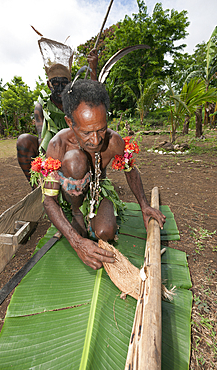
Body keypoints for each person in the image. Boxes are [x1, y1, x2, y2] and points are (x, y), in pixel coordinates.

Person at [38, 79, 166, 270]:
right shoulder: (58, 145)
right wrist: (77, 242)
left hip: (99, 194)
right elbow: (49, 201)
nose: (96, 140)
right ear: (69, 122)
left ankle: (92, 218)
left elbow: (130, 171)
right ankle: (76, 212)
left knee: (105, 232)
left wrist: (144, 205)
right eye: (87, 132)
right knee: (74, 161)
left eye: (102, 129)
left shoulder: (114, 141)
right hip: (73, 198)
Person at [16, 35, 98, 186]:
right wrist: (46, 166)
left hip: (75, 149)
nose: (60, 89)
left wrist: (93, 71)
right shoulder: (42, 105)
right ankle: (37, 187)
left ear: (70, 83)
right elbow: (42, 138)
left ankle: (85, 184)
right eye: (56, 84)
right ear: (49, 85)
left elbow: (94, 100)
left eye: (64, 84)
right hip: (51, 150)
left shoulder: (76, 101)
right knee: (24, 140)